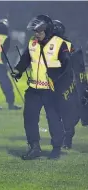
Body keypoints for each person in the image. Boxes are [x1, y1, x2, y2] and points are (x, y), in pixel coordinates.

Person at [12, 15, 71, 160]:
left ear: (48, 30)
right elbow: (25, 59)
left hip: (51, 90)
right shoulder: (32, 43)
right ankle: (34, 147)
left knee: (54, 119)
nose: (36, 34)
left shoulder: (59, 44)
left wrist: (58, 82)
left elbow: (67, 67)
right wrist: (18, 71)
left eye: (39, 31)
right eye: (35, 31)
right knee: (30, 118)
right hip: (34, 89)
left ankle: (56, 148)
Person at [53, 19, 80, 149]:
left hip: (66, 82)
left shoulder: (68, 44)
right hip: (51, 82)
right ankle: (61, 137)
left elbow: (75, 62)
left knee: (69, 113)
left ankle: (67, 137)